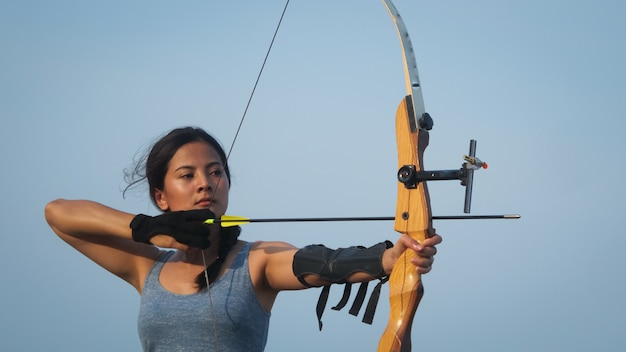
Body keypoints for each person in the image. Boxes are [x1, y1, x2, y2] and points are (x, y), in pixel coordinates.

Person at [45, 126, 442, 351]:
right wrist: (147, 228)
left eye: (215, 172)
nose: (206, 183)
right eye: (187, 175)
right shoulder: (146, 265)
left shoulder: (255, 262)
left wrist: (389, 260)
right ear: (161, 196)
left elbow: (321, 264)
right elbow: (59, 214)